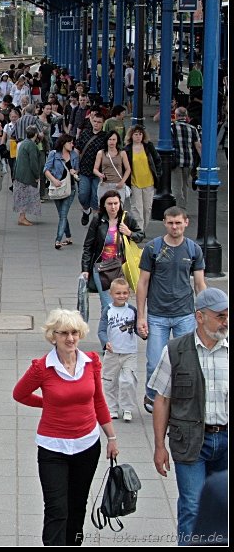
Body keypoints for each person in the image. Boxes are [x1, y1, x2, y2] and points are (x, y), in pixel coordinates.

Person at [13, 309, 119, 546]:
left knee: (77, 505)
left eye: (74, 333)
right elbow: (19, 394)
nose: (70, 339)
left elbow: (99, 400)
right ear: (53, 336)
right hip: (53, 448)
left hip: (87, 445)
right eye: (64, 334)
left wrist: (111, 437)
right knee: (56, 508)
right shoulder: (42, 367)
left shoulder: (91, 362)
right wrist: (47, 404)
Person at [148, 287, 228, 545]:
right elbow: (161, 400)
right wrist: (159, 446)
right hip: (191, 441)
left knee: (224, 506)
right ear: (200, 317)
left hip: (226, 439)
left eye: (228, 315)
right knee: (192, 506)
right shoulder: (175, 350)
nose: (225, 321)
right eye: (220, 316)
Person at [136, 206, 207, 412]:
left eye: (178, 223)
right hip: (157, 315)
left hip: (185, 314)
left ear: (186, 223)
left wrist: (205, 314)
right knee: (154, 362)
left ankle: (180, 399)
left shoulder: (194, 249)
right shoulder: (152, 248)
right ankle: (152, 397)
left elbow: (200, 284)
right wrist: (141, 316)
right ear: (165, 223)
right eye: (170, 223)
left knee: (185, 362)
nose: (174, 227)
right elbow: (143, 283)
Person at [81, 190, 145, 347]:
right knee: (107, 305)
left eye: (116, 203)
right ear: (104, 205)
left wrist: (129, 232)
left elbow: (140, 235)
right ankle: (107, 342)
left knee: (120, 303)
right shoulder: (98, 220)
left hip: (119, 268)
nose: (113, 207)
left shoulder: (126, 218)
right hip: (101, 268)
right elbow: (88, 246)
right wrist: (85, 269)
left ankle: (117, 337)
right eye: (110, 204)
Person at [98, 277, 142, 423]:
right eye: (118, 293)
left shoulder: (132, 311)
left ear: (129, 293)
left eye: (124, 293)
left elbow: (137, 329)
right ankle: (112, 408)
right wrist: (105, 343)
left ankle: (127, 408)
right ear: (111, 294)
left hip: (129, 352)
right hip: (112, 353)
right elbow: (101, 330)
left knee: (128, 380)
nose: (122, 296)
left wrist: (143, 333)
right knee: (109, 381)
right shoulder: (108, 310)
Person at [44, 133, 80, 249]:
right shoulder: (54, 154)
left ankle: (58, 240)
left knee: (63, 214)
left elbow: (77, 169)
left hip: (70, 188)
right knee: (62, 215)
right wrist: (54, 180)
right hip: (57, 187)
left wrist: (74, 172)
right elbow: (46, 169)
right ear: (63, 143)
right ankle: (68, 237)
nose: (72, 144)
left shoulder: (74, 155)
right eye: (69, 142)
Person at [124, 124, 162, 230]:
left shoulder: (148, 146)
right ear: (131, 136)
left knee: (147, 208)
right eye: (135, 134)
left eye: (140, 134)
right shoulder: (127, 150)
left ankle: (143, 228)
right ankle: (139, 230)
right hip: (134, 182)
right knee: (137, 208)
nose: (138, 136)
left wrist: (158, 174)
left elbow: (157, 160)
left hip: (149, 182)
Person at [75, 111, 108, 225]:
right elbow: (77, 149)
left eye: (99, 122)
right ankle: (86, 210)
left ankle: (95, 220)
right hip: (84, 170)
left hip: (98, 172)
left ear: (103, 123)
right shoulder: (85, 133)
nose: (96, 124)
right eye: (95, 121)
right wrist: (75, 165)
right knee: (83, 194)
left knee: (95, 196)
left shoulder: (105, 137)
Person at [171, 107, 202, 209]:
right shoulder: (193, 129)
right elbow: (198, 146)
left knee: (176, 186)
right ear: (186, 116)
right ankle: (183, 206)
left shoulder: (172, 127)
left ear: (176, 115)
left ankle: (179, 208)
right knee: (185, 185)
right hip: (189, 161)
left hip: (175, 161)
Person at [93, 130, 131, 207]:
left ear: (117, 141)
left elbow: (128, 169)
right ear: (106, 141)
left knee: (118, 208)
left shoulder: (122, 153)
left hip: (118, 184)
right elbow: (95, 169)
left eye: (114, 139)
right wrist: (100, 174)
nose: (112, 142)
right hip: (104, 184)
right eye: (110, 139)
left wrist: (122, 182)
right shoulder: (101, 153)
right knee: (103, 208)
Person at [13, 125, 42, 226]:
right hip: (27, 175)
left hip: (20, 174)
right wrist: (37, 175)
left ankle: (22, 217)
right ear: (35, 134)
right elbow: (33, 162)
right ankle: (22, 217)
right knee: (25, 196)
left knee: (22, 196)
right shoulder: (32, 145)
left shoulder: (24, 143)